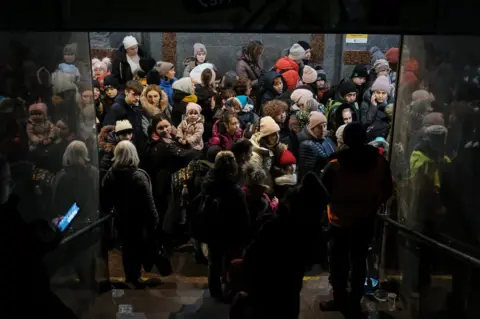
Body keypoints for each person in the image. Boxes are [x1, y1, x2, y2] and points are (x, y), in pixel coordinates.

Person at [320, 123, 393, 317]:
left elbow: (323, 191)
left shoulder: (335, 163)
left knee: (339, 262)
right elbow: (387, 189)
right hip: (365, 220)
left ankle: (339, 299)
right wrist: (372, 203)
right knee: (359, 261)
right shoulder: (378, 161)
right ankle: (355, 299)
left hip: (339, 222)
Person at [102, 140, 160, 288]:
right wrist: (154, 220)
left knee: (127, 248)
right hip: (139, 220)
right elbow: (149, 202)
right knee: (140, 247)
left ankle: (130, 276)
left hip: (121, 218)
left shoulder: (110, 174)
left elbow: (105, 198)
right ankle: (137, 277)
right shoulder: (139, 176)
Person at [201, 151, 250, 302]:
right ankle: (230, 288)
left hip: (212, 229)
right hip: (231, 231)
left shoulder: (208, 182)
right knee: (231, 260)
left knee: (214, 261)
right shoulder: (235, 191)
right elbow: (244, 216)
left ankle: (214, 290)